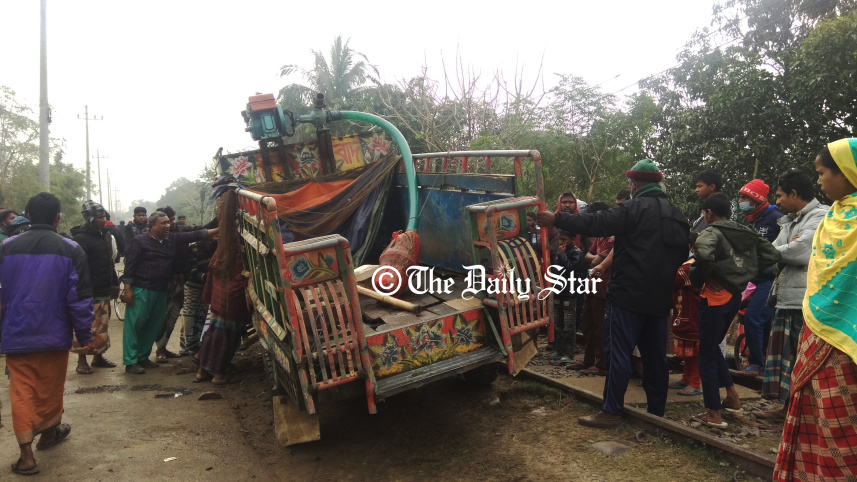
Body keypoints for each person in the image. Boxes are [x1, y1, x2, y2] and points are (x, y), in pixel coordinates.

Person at [537, 158, 689, 427]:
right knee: (656, 358)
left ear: (634, 183)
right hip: (658, 299)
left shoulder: (632, 209)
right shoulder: (677, 216)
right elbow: (681, 257)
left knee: (618, 352)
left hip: (627, 297)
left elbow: (596, 222)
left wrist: (557, 218)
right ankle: (656, 413)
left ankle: (611, 411)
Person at [774, 139, 857, 480]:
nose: (819, 182)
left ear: (848, 173)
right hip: (815, 323)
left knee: (842, 418)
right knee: (813, 405)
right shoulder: (833, 216)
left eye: (823, 173)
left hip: (846, 338)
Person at [0, 192, 95, 475]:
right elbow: (79, 298)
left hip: (17, 333)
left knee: (22, 392)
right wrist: (85, 335)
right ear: (58, 218)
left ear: (26, 216)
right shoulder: (71, 249)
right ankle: (48, 433)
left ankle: (27, 456)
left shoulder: (6, 247)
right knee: (50, 388)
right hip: (54, 334)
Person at [690, 193, 780, 428]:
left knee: (706, 354)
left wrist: (702, 278)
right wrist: (744, 272)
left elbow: (703, 254)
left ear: (708, 213)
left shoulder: (711, 231)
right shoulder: (746, 231)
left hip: (715, 296)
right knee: (713, 347)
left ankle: (713, 413)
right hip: (735, 296)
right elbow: (772, 255)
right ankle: (732, 395)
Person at [756, 169, 827, 421]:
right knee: (788, 360)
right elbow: (773, 253)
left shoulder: (821, 216)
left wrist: (788, 251)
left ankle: (801, 413)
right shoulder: (790, 221)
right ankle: (788, 410)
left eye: (779, 196)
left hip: (805, 302)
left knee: (802, 359)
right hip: (787, 298)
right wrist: (787, 251)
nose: (777, 202)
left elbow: (800, 252)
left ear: (794, 193)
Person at [121, 210, 217, 374]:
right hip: (141, 289)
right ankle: (130, 361)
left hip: (161, 290)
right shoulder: (139, 242)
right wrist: (127, 290)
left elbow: (196, 234)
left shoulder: (171, 239)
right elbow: (129, 267)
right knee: (135, 324)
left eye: (168, 222)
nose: (168, 225)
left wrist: (220, 228)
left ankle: (143, 357)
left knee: (153, 325)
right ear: (152, 225)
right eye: (163, 223)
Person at [194, 190, 251, 385]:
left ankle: (203, 370)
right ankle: (219, 373)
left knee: (214, 330)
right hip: (232, 289)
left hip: (220, 288)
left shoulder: (226, 231)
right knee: (228, 334)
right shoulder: (241, 231)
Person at [737, 179, 784, 376]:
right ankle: (763, 361)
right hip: (754, 279)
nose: (741, 201)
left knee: (754, 317)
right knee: (761, 320)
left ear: (756, 199)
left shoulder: (776, 218)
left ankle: (756, 363)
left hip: (770, 279)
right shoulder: (750, 220)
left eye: (744, 197)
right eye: (740, 197)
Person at [70, 201, 120, 374]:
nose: (103, 220)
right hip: (89, 290)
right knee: (87, 326)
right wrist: (83, 290)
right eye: (99, 217)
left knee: (103, 325)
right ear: (90, 218)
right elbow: (78, 268)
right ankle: (81, 360)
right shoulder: (80, 239)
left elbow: (110, 262)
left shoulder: (106, 235)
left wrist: (115, 282)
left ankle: (98, 357)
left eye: (104, 216)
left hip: (105, 287)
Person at [570, 201, 612, 375]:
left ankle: (601, 363)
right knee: (588, 324)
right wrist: (595, 257)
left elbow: (595, 260)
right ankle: (588, 360)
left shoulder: (611, 238)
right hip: (592, 286)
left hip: (603, 289)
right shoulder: (601, 237)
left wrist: (595, 258)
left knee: (599, 327)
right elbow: (587, 256)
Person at [669, 232, 702, 396]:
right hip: (685, 310)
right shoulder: (689, 263)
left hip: (693, 311)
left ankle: (696, 382)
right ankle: (686, 377)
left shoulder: (689, 266)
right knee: (689, 347)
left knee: (695, 348)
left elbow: (673, 281)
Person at [547, 230, 582, 364]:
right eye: (560, 239)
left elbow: (571, 270)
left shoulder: (576, 253)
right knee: (558, 322)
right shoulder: (560, 251)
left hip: (569, 292)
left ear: (572, 239)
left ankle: (569, 353)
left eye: (564, 239)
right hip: (558, 291)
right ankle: (560, 350)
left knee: (569, 323)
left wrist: (562, 256)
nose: (561, 242)